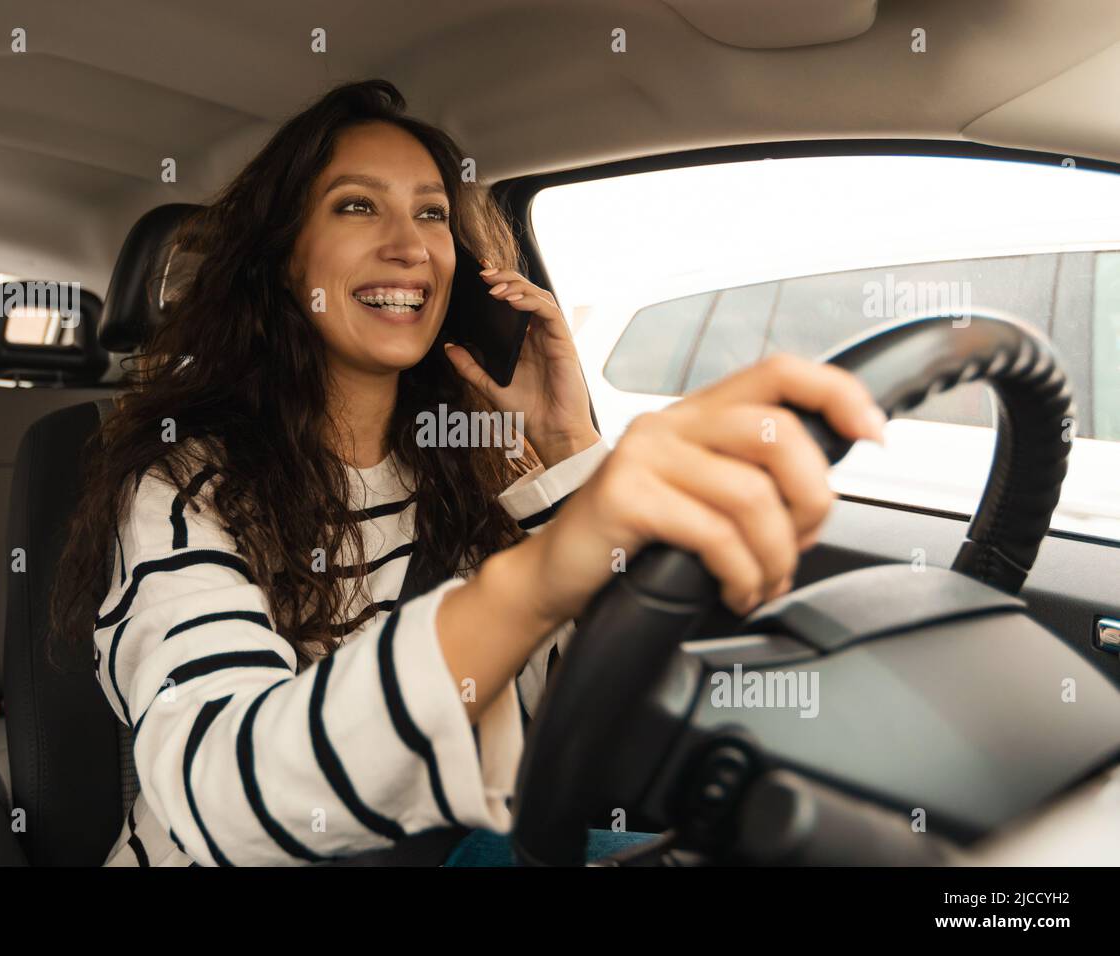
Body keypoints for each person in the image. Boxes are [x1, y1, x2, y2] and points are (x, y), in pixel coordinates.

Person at [49, 78, 886, 867]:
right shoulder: (180, 487)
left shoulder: (469, 464)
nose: (409, 246)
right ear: (280, 264)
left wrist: (567, 443)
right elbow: (220, 796)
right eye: (355, 206)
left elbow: (589, 709)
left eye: (432, 215)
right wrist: (532, 582)